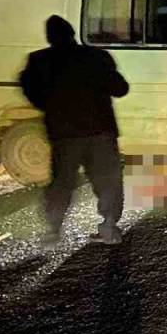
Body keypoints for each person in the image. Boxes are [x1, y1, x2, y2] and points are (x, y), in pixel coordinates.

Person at [20, 16, 130, 246]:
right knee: (107, 181)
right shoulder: (97, 57)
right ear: (73, 34)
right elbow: (120, 89)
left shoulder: (39, 60)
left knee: (62, 182)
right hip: (100, 131)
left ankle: (53, 231)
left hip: (64, 133)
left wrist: (52, 105)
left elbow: (31, 92)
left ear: (50, 37)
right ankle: (109, 228)